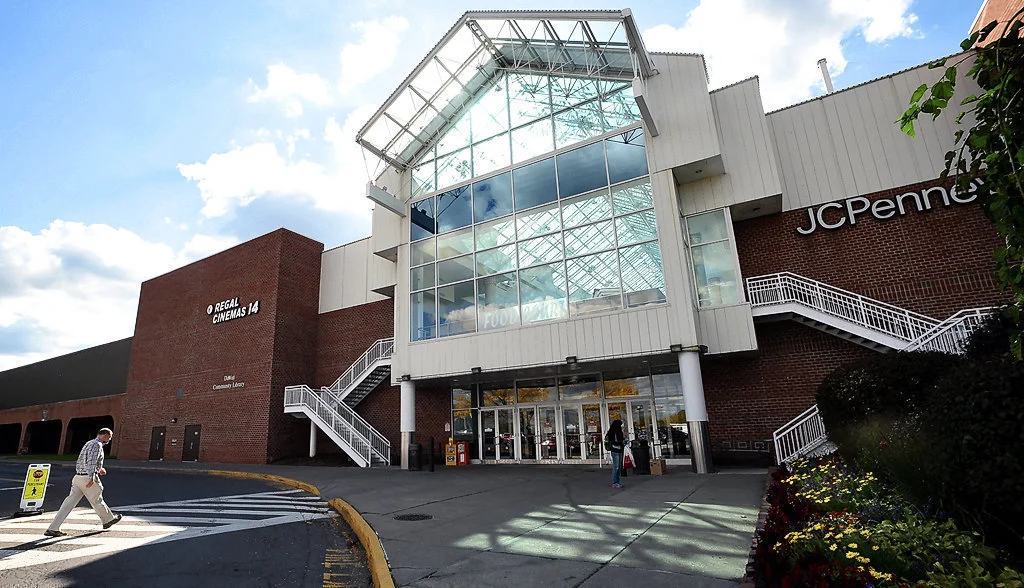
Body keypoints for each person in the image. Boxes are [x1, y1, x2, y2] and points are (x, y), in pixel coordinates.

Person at [44, 428, 122, 537]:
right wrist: (91, 477)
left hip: (78, 477)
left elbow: (83, 460)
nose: (110, 439)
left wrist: (99, 469)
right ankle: (108, 520)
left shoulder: (89, 443)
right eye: (110, 437)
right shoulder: (97, 445)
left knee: (68, 504)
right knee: (96, 499)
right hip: (87, 477)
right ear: (104, 435)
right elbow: (91, 461)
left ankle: (53, 528)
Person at [605, 420, 626, 489]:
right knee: (616, 467)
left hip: (618, 450)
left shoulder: (615, 432)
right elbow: (615, 441)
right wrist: (621, 442)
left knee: (618, 467)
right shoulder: (613, 432)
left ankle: (617, 481)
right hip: (615, 450)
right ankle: (615, 482)